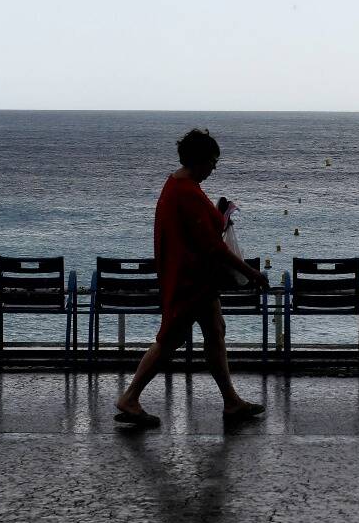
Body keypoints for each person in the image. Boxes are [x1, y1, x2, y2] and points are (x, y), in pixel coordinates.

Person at [114, 128, 268, 429]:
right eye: (212, 162)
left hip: (193, 277)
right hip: (191, 281)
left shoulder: (176, 185)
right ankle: (130, 397)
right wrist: (250, 272)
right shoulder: (187, 193)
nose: (214, 168)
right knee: (170, 340)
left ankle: (231, 401)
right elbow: (212, 246)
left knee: (214, 331)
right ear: (199, 160)